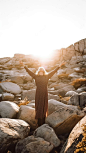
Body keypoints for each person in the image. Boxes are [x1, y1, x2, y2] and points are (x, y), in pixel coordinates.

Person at [20, 61, 65, 127]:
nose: (41, 70)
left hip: (44, 92)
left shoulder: (47, 76)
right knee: (38, 105)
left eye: (42, 70)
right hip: (38, 92)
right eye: (40, 70)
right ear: (38, 71)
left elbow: (53, 71)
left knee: (44, 105)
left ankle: (43, 121)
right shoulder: (35, 76)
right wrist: (23, 65)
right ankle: (39, 121)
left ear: (43, 71)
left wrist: (59, 66)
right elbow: (29, 72)